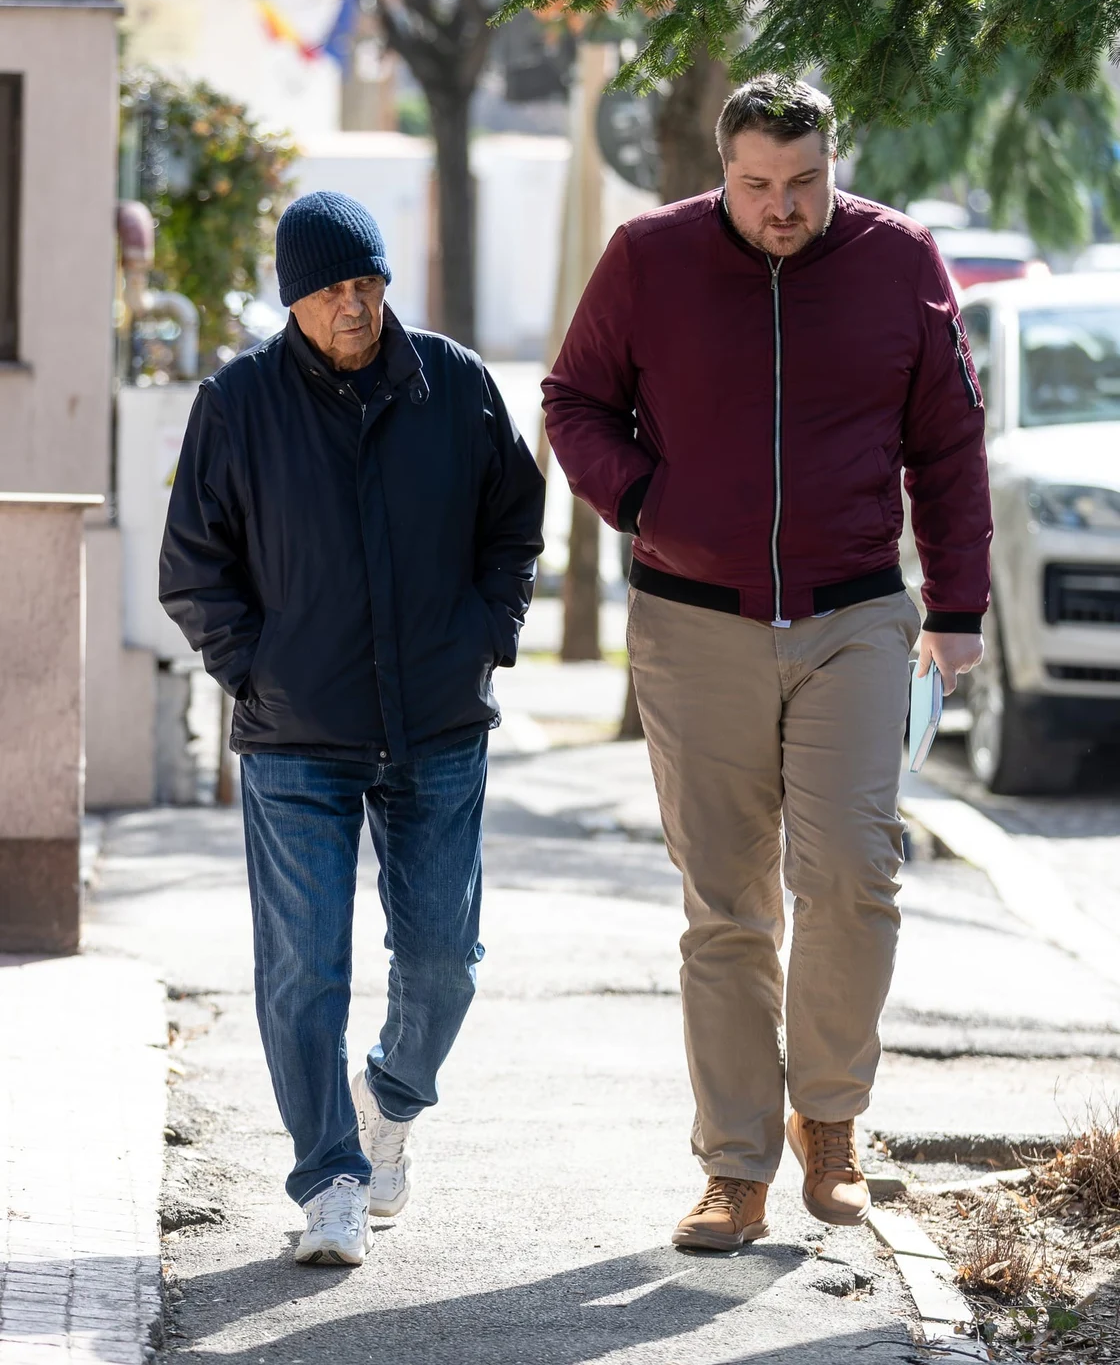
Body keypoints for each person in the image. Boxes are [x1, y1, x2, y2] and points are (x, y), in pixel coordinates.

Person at [544, 77, 990, 1249]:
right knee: (726, 905)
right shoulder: (650, 256)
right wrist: (647, 499)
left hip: (854, 613)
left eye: (801, 185)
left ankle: (828, 1119)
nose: (779, 207)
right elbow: (572, 400)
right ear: (721, 169)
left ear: (831, 165)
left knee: (853, 871)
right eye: (755, 186)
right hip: (694, 621)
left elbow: (947, 442)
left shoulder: (900, 261)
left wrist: (958, 608)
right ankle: (734, 1164)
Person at [160, 190, 546, 1266]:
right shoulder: (238, 401)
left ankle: (391, 1098)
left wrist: (488, 634)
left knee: (443, 961)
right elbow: (194, 565)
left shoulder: (454, 383)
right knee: (301, 972)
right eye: (333, 288)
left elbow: (514, 521)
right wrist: (256, 672)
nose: (356, 304)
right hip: (296, 736)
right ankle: (329, 1175)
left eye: (368, 282)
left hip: (437, 722)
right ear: (293, 296)